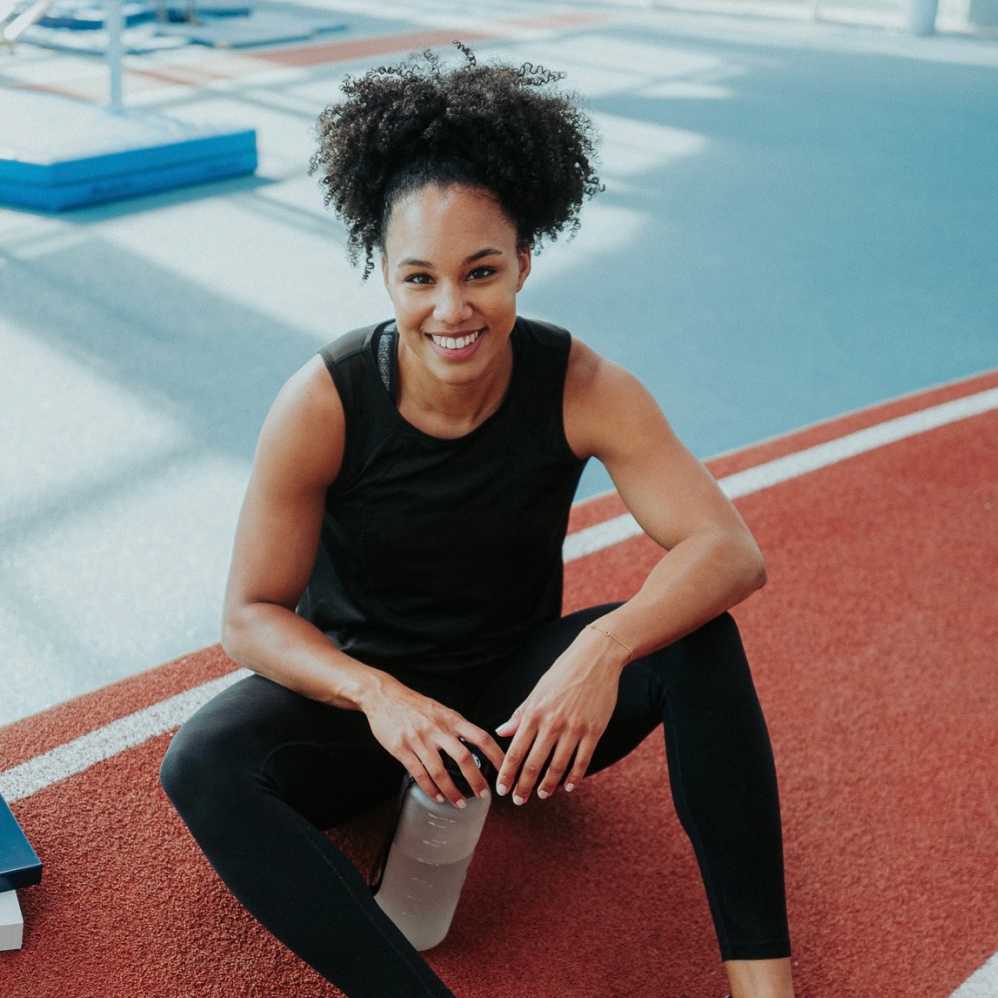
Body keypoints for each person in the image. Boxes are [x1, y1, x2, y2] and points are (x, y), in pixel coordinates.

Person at [160, 44, 795, 998]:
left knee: (698, 645)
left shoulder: (582, 384)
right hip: (371, 725)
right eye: (419, 278)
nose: (452, 309)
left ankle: (765, 988)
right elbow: (250, 617)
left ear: (526, 260)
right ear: (382, 273)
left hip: (521, 714)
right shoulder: (323, 401)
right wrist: (379, 697)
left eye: (482, 271)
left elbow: (727, 550)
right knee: (201, 765)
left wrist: (602, 651)